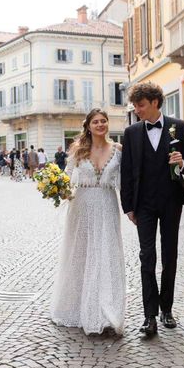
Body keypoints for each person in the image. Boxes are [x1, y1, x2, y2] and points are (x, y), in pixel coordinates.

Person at [120, 82, 184, 336]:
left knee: (169, 255)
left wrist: (181, 162)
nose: (137, 110)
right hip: (144, 205)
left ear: (154, 102)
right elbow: (126, 172)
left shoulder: (179, 126)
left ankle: (167, 309)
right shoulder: (131, 133)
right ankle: (149, 316)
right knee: (146, 257)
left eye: (140, 105)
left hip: (171, 201)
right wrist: (128, 206)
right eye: (135, 105)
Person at [50, 109, 125, 335]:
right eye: (96, 121)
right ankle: (77, 309)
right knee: (81, 255)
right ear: (89, 125)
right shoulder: (78, 150)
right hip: (81, 206)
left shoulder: (119, 150)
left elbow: (125, 182)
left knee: (106, 255)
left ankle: (105, 313)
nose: (100, 125)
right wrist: (58, 189)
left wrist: (133, 208)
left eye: (103, 121)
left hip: (107, 205)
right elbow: (66, 176)